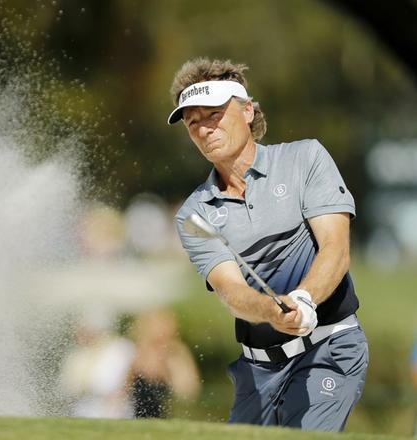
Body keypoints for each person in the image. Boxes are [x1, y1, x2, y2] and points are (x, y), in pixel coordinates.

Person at [168, 57, 368, 431]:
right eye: (193, 123)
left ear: (246, 111)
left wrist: (305, 299)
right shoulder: (193, 215)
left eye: (213, 114)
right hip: (257, 369)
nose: (204, 129)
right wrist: (273, 311)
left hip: (329, 349)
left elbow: (335, 249)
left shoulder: (305, 158)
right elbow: (230, 291)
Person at [127, 309, 201, 418]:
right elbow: (123, 388)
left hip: (166, 413)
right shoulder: (137, 350)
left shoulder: (175, 352)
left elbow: (188, 391)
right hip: (133, 413)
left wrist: (168, 371)